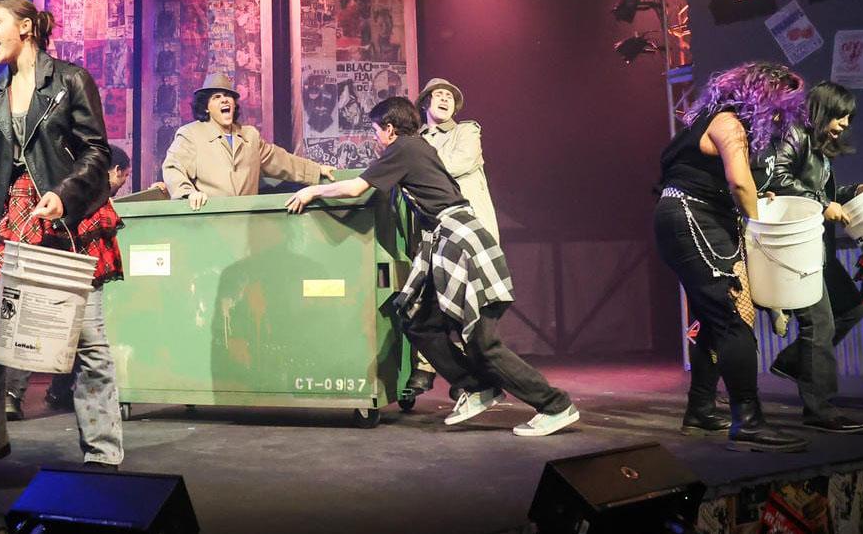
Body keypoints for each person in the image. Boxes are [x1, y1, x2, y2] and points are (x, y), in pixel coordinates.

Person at [286, 97, 580, 435]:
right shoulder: (420, 148)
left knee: (484, 344)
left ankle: (555, 405)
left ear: (390, 129)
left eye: (377, 130)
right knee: (420, 321)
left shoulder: (404, 149)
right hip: (446, 241)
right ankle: (475, 387)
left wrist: (313, 191)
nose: (377, 137)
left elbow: (355, 188)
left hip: (460, 241)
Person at [0, 0, 123, 475]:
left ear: (25, 27)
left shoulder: (69, 80)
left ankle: (102, 451)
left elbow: (96, 152)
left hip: (67, 216)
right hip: (14, 218)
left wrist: (66, 196)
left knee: (88, 343)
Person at [655, 62, 809, 452]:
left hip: (690, 214)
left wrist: (753, 200)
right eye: (777, 106)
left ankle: (701, 410)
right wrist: (760, 228)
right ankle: (749, 420)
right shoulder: (729, 124)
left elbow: (736, 185)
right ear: (759, 96)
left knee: (713, 316)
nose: (777, 116)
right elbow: (739, 181)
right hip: (694, 217)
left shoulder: (709, 118)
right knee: (732, 319)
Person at [756, 81, 863, 434]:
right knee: (819, 324)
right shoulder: (794, 133)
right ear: (824, 109)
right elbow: (777, 180)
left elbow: (824, 192)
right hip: (796, 248)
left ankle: (794, 363)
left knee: (851, 308)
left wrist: (854, 192)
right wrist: (825, 205)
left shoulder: (819, 147)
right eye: (842, 115)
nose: (846, 123)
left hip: (817, 247)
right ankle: (820, 409)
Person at [4, 144, 132, 420]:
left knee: (72, 329)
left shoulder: (76, 178)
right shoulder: (73, 179)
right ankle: (16, 395)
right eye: (124, 176)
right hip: (62, 256)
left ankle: (35, 394)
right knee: (44, 325)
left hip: (68, 256)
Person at [402, 78, 504, 400]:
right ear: (426, 103)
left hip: (470, 230)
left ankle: (472, 378)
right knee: (427, 304)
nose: (445, 99)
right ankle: (431, 369)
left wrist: (414, 166)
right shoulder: (416, 140)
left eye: (450, 96)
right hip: (433, 233)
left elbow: (459, 164)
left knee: (464, 306)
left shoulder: (467, 131)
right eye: (438, 95)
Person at [161, 73, 335, 210]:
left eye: (229, 96)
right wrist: (188, 193)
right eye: (217, 97)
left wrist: (316, 170)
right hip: (210, 221)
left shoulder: (249, 136)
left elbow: (280, 160)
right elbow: (173, 167)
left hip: (247, 224)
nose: (225, 100)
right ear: (206, 106)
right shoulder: (191, 135)